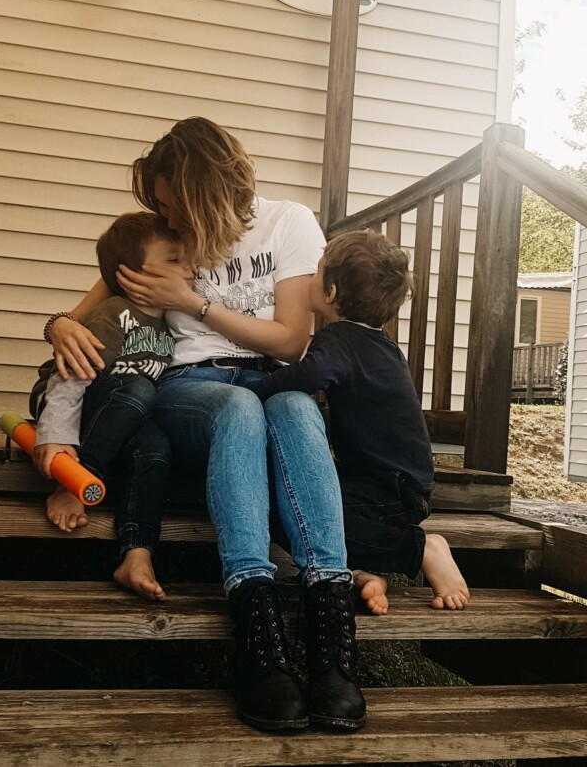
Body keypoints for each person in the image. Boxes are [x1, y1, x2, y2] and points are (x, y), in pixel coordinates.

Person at [47, 117, 365, 733]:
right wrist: (59, 322)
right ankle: (257, 635)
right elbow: (89, 307)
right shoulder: (169, 238)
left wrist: (196, 302)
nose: (163, 212)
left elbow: (293, 342)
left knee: (297, 407)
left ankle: (332, 643)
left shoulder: (288, 223)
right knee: (238, 407)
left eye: (169, 199)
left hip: (273, 380)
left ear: (199, 191)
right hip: (192, 388)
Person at [249, 229, 471, 614]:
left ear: (331, 292)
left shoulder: (337, 341)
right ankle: (360, 573)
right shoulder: (376, 341)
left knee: (294, 513)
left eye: (317, 271)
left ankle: (420, 552)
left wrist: (252, 393)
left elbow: (308, 375)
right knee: (309, 507)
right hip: (393, 480)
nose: (310, 278)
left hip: (388, 488)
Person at [30, 212, 185, 601]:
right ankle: (78, 484)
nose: (189, 268)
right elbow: (71, 378)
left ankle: (136, 553)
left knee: (156, 446)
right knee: (137, 387)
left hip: (127, 423)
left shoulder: (173, 324)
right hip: (85, 412)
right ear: (133, 274)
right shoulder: (112, 315)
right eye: (174, 260)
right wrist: (54, 436)